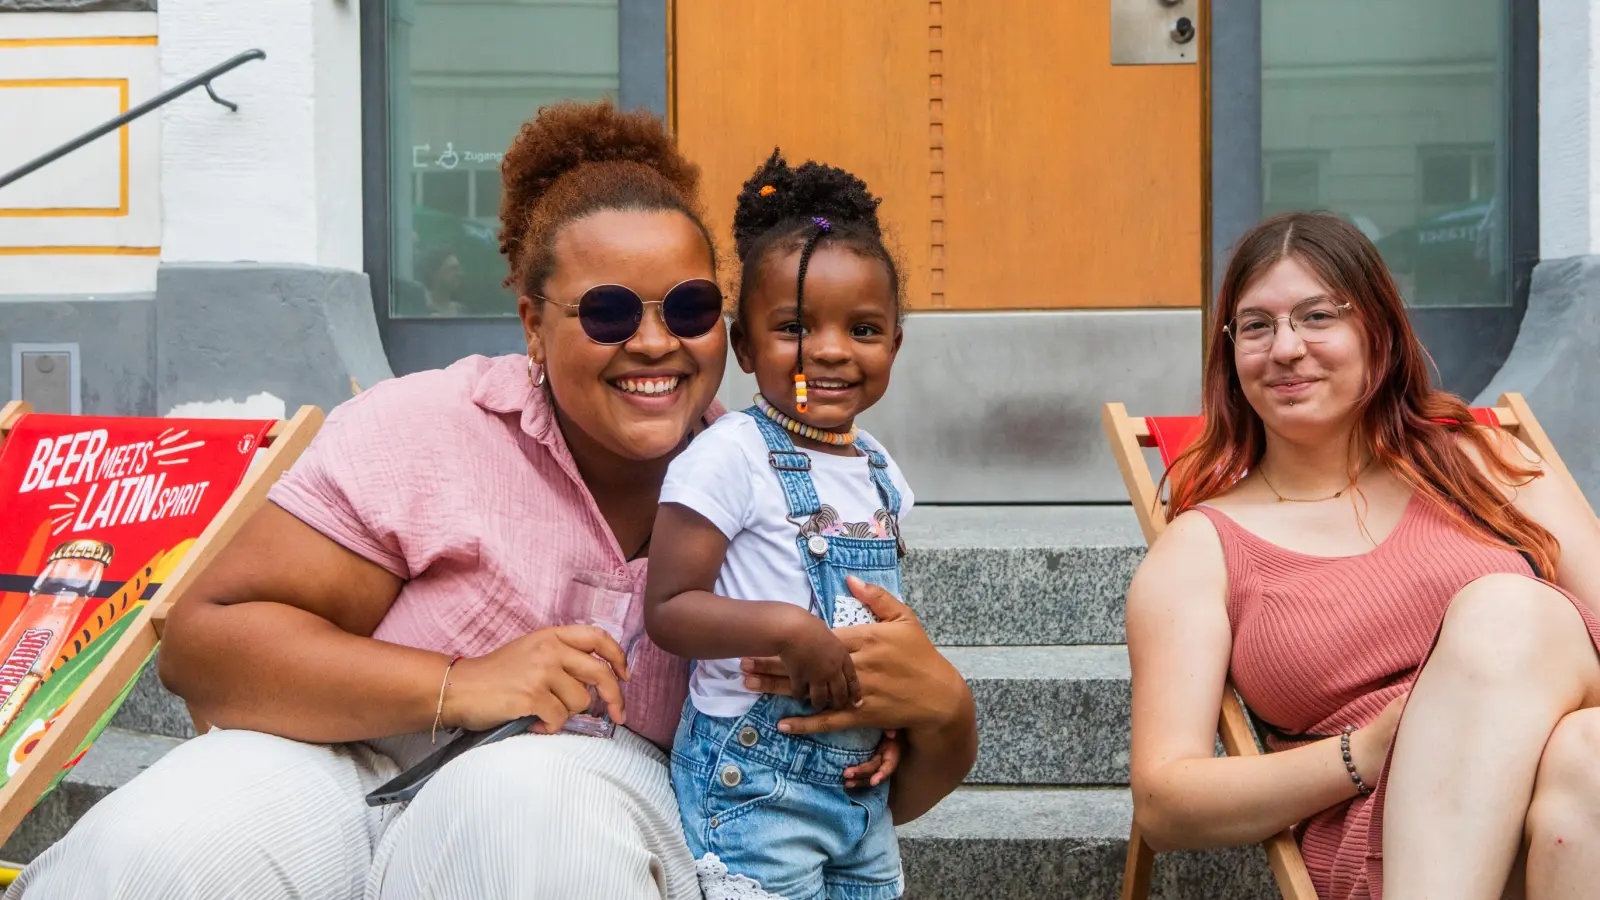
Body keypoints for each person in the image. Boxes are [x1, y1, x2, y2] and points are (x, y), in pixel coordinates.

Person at [4, 101, 977, 900]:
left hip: (584, 797)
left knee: (537, 812)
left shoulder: (770, 485)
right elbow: (205, 645)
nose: (653, 342)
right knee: (168, 849)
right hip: (347, 765)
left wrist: (945, 715)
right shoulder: (425, 426)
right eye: (605, 311)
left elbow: (832, 790)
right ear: (529, 319)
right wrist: (456, 683)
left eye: (686, 309)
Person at [1126, 210, 1600, 900]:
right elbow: (1166, 801)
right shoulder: (1201, 552)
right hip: (1387, 841)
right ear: (1230, 353)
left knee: (1544, 677)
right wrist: (1364, 752)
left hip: (1563, 768)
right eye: (1256, 326)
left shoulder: (1483, 461)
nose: (1286, 348)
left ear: (1377, 330)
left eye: (1318, 316)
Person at [646, 151, 912, 900]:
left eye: (862, 329)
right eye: (795, 327)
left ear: (895, 342)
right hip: (753, 786)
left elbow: (875, 612)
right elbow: (668, 610)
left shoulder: (881, 470)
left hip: (858, 787)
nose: (829, 350)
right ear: (744, 346)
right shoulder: (728, 457)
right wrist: (789, 631)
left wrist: (886, 712)